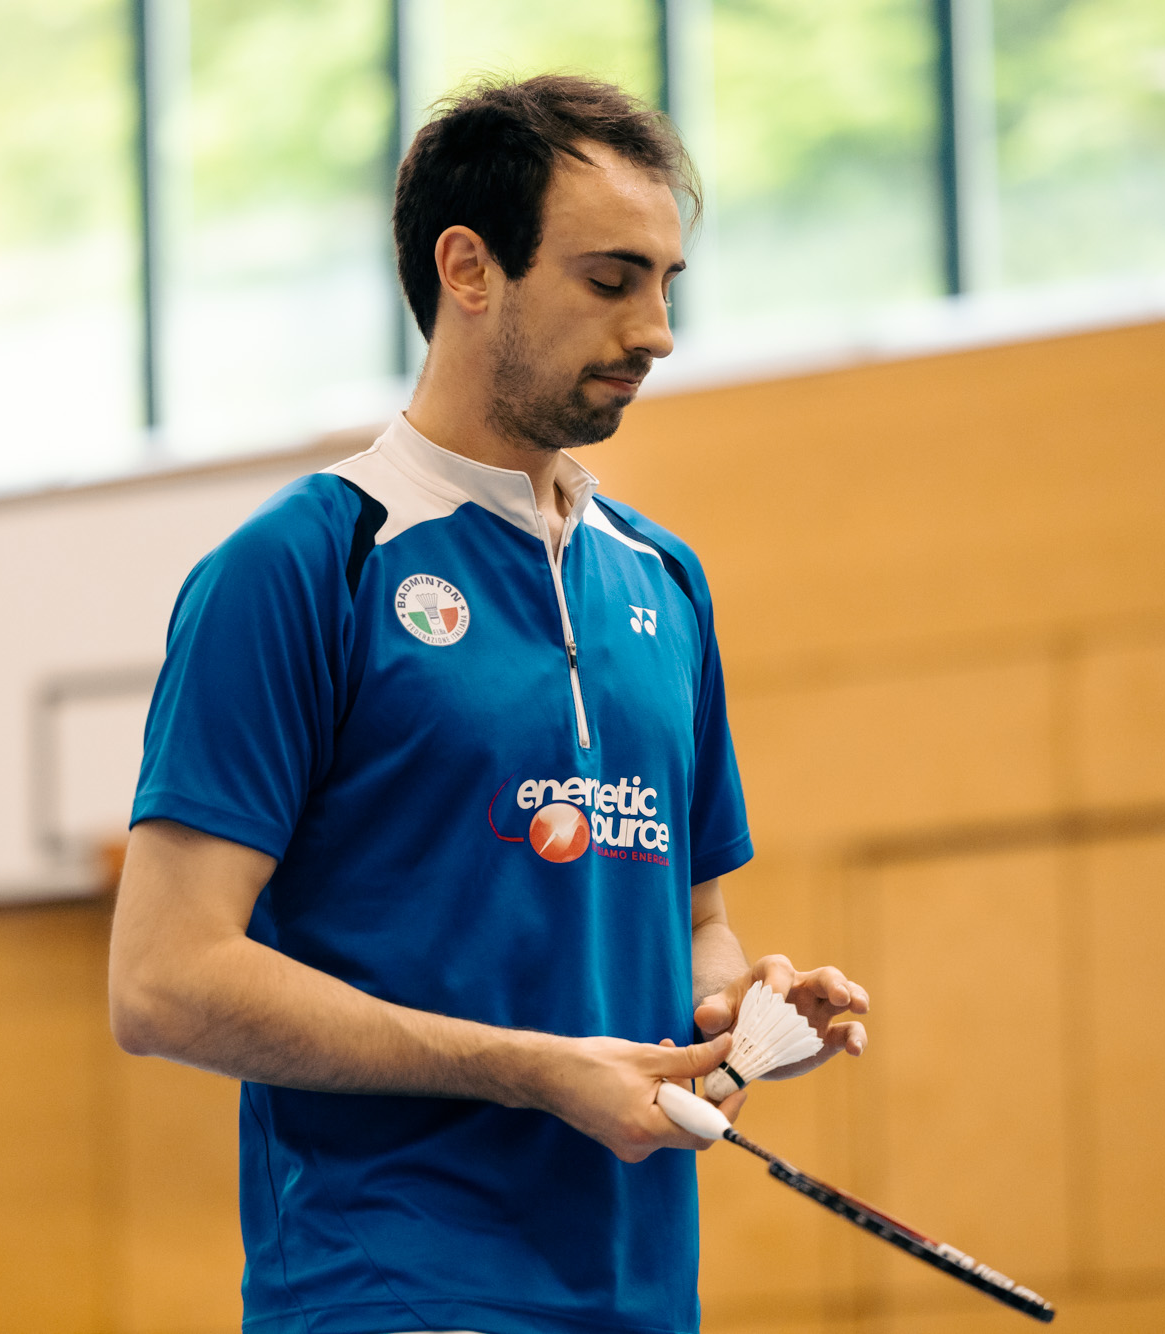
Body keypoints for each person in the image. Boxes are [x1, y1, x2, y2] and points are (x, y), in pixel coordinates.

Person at [109, 74, 869, 1334]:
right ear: (468, 268)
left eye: (665, 284)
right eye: (610, 280)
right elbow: (163, 980)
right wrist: (529, 1067)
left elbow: (697, 921)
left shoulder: (665, 581)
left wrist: (733, 1015)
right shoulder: (306, 565)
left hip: (639, 1292)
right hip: (390, 1284)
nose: (656, 331)